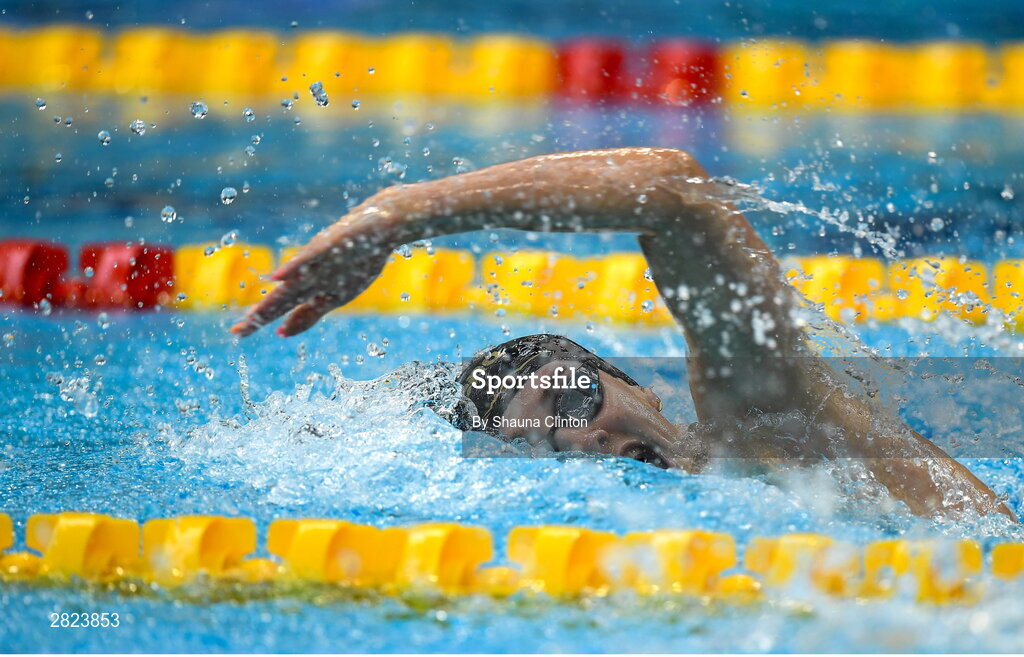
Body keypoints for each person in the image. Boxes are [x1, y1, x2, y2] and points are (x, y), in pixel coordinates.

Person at [231, 147, 1014, 520]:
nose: (581, 441)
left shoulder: (767, 421)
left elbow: (673, 190)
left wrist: (406, 212)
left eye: (572, 398)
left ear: (634, 380)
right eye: (545, 444)